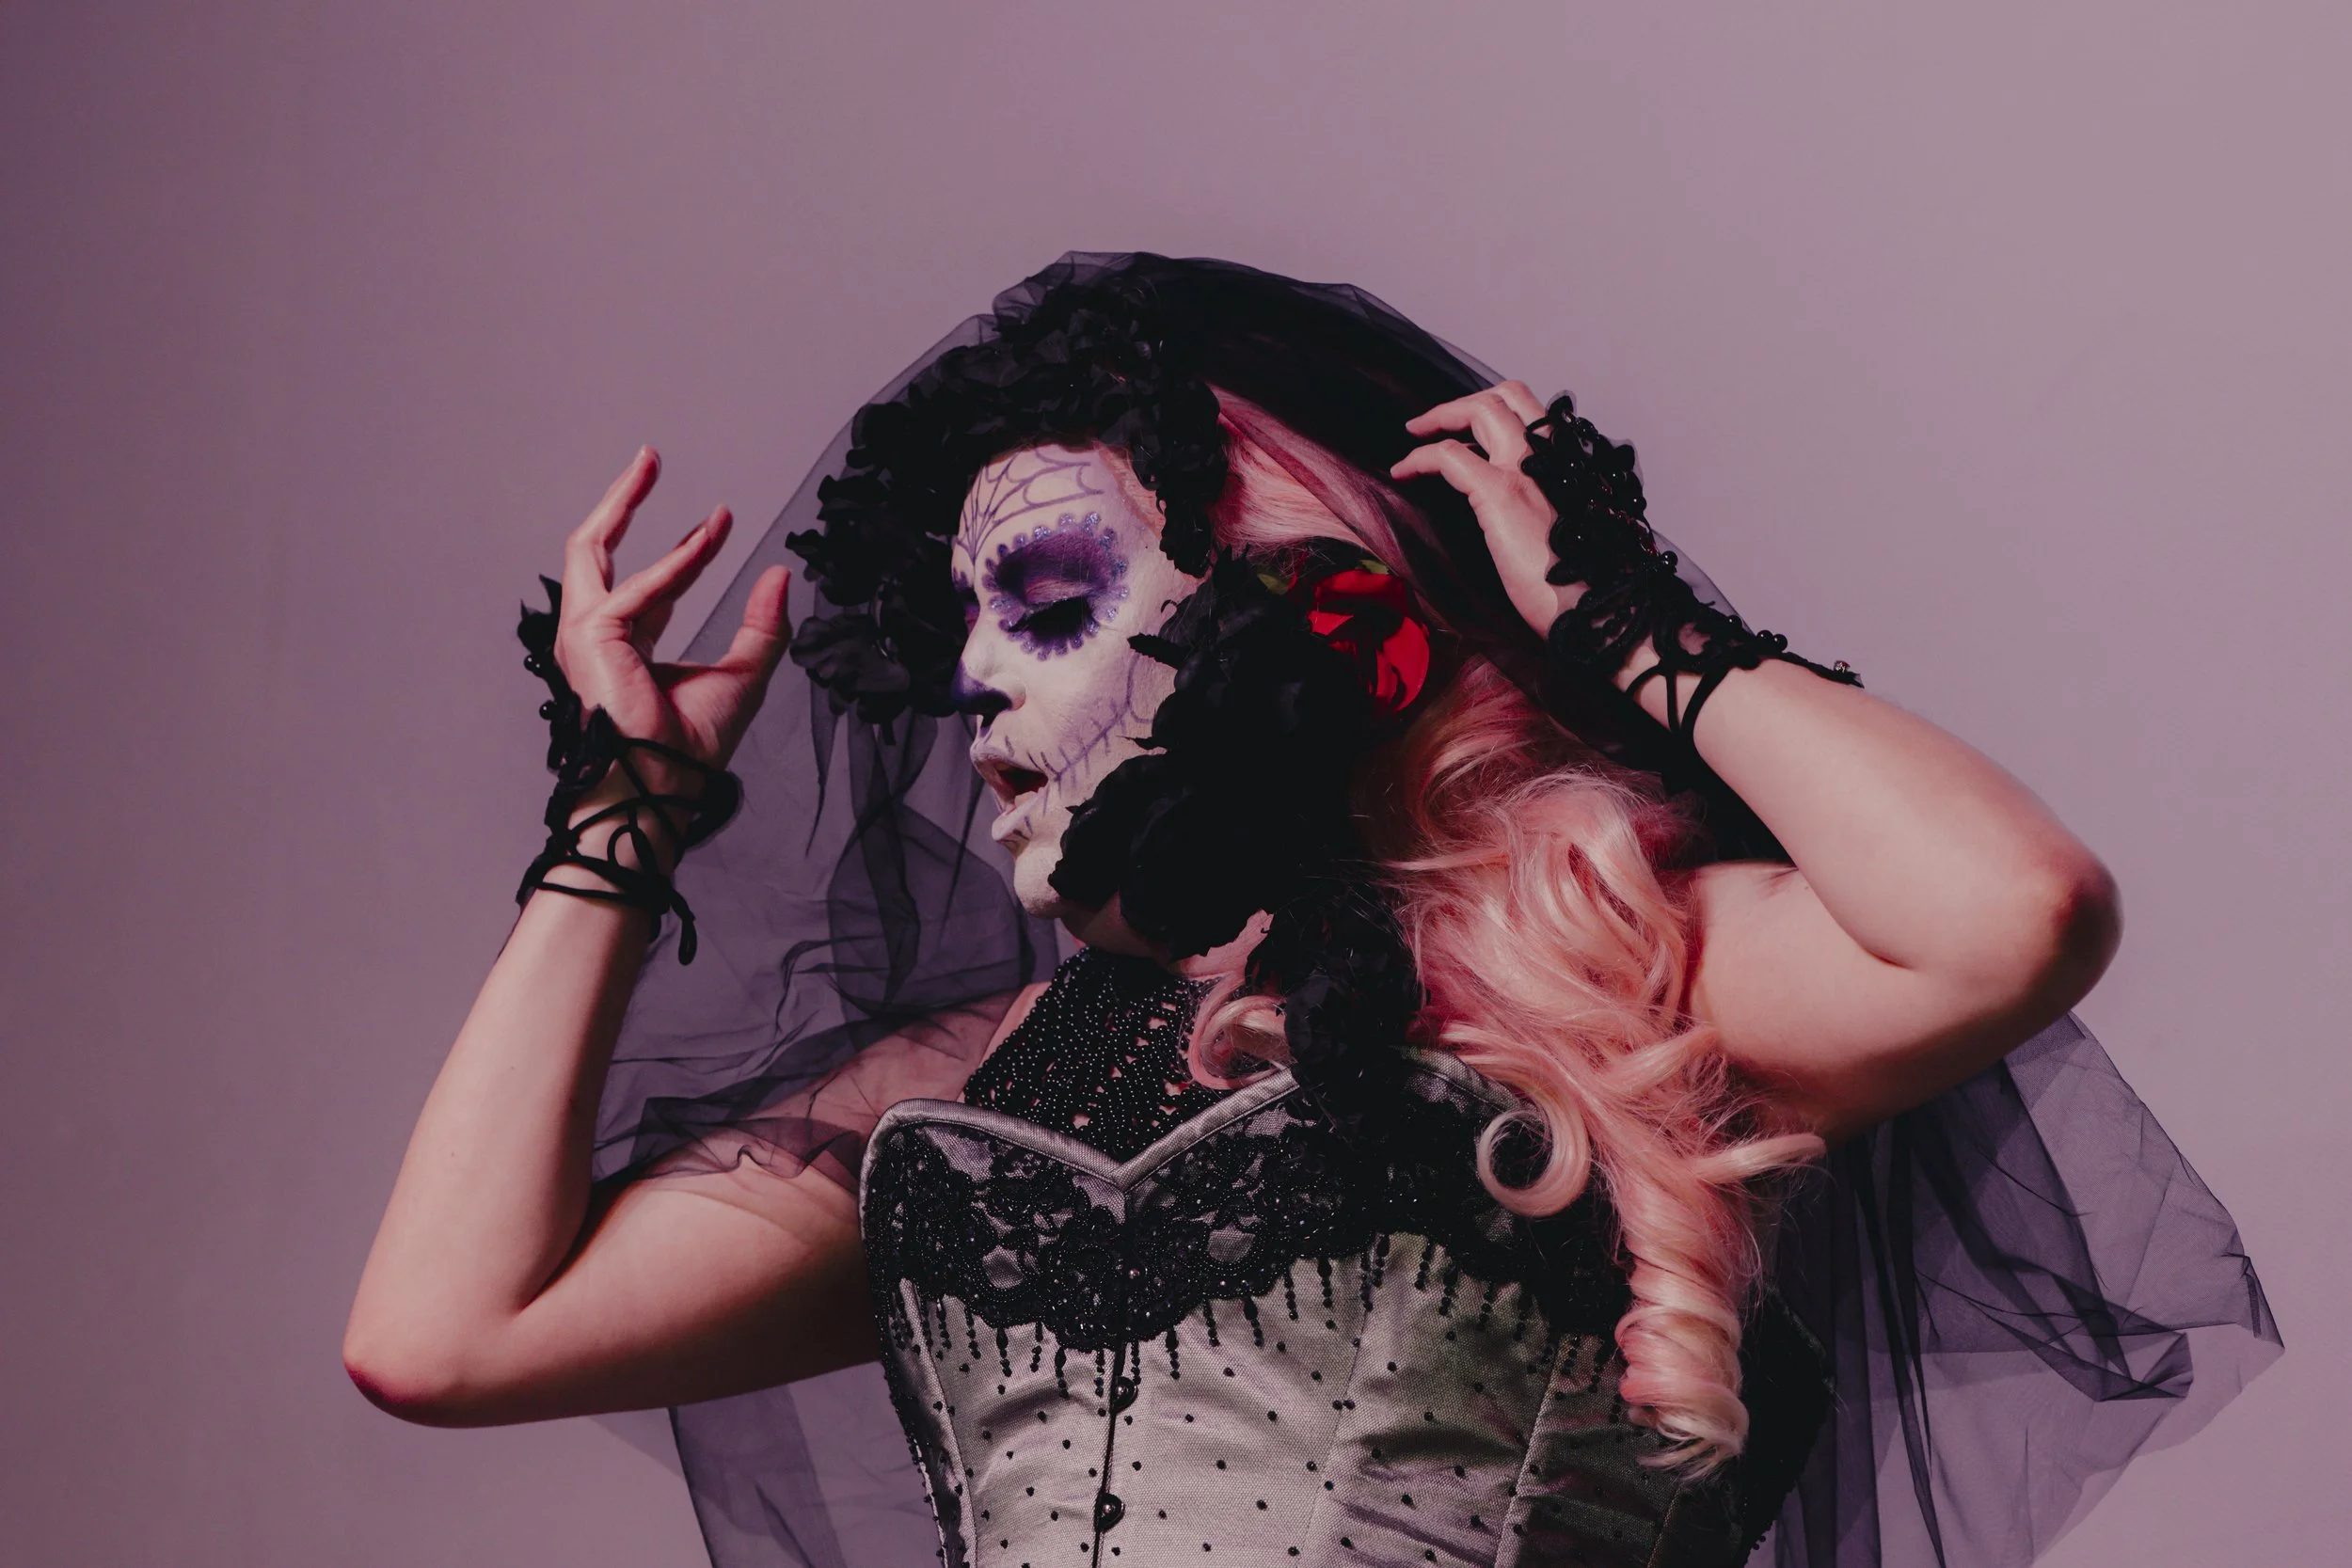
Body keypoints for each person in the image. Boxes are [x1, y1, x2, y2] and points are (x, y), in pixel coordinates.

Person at [344, 255, 2277, 1568]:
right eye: (961, 632)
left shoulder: (1615, 967)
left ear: (1315, 605)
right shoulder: (981, 1082)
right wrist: (627, 812)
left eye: (1042, 603)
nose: (973, 684)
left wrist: (1627, 626)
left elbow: (2013, 913)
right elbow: (449, 1330)